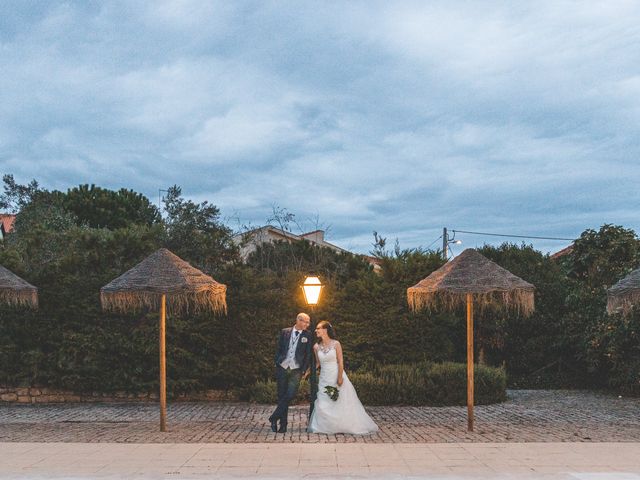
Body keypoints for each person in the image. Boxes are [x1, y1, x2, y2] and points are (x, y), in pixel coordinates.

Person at [308, 320, 378, 434]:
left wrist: (340, 377)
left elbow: (340, 361)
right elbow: (317, 363)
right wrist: (308, 372)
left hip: (335, 374)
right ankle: (325, 426)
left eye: (318, 328)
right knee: (323, 400)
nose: (316, 330)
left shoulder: (336, 344)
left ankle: (343, 425)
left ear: (325, 330)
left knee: (340, 400)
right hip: (324, 377)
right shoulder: (316, 347)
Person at [268, 312, 312, 433]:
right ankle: (283, 426)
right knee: (281, 396)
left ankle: (273, 417)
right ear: (298, 320)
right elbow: (279, 348)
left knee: (290, 394)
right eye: (305, 322)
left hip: (296, 370)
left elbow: (308, 354)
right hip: (282, 367)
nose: (307, 324)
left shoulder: (308, 335)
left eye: (308, 322)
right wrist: (277, 362)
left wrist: (303, 370)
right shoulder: (285, 332)